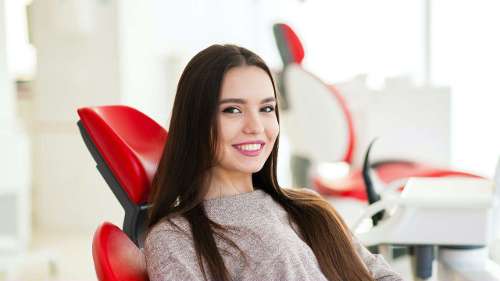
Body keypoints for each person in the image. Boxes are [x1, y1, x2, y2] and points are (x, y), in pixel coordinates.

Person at [144, 44, 404, 281]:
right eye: (232, 110)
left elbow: (381, 276)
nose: (256, 127)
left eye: (267, 109)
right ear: (196, 122)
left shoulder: (310, 208)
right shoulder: (175, 239)